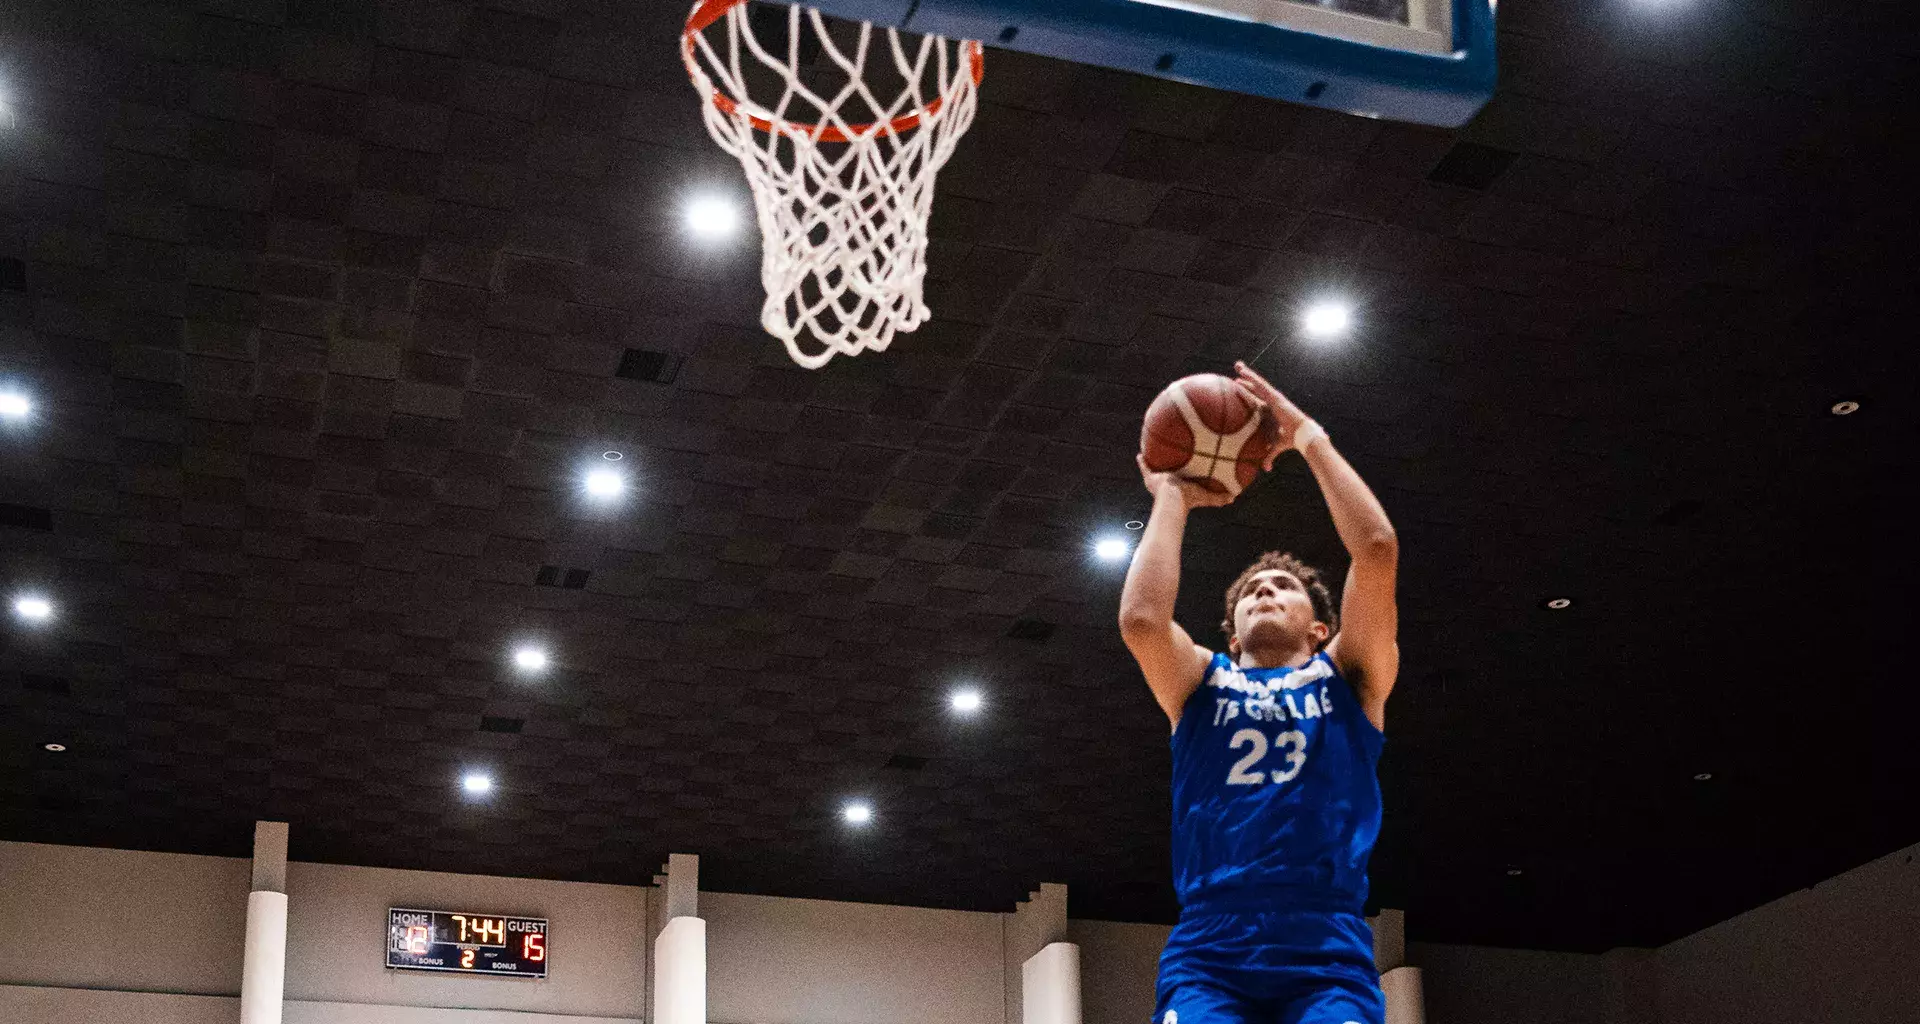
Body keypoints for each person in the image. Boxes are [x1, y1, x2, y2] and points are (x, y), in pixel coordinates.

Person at [1119, 361, 1401, 1024]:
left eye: (1283, 588)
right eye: (1250, 592)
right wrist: (1170, 497)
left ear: (1322, 625)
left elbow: (1379, 549)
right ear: (1232, 632)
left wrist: (1310, 438)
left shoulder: (1350, 677)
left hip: (1324, 942)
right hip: (1211, 946)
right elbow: (1141, 622)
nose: (1264, 591)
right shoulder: (1201, 682)